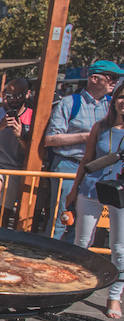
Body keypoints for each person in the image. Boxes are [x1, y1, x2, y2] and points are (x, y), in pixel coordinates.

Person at [65, 80, 124, 319]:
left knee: (119, 249)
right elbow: (86, 159)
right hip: (91, 189)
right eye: (121, 97)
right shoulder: (100, 127)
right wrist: (74, 189)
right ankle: (75, 288)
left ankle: (114, 296)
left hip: (120, 193)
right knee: (82, 242)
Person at [45, 60, 122, 241]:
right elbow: (50, 139)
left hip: (100, 170)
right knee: (62, 218)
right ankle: (48, 259)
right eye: (112, 78)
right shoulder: (69, 103)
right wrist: (87, 137)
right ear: (94, 79)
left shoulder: (112, 106)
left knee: (85, 226)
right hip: (68, 167)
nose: (115, 82)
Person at [0, 79, 33, 225]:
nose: (14, 100)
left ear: (27, 94)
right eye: (9, 96)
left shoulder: (33, 117)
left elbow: (31, 151)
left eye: (18, 96)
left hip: (16, 166)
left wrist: (20, 136)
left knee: (6, 207)